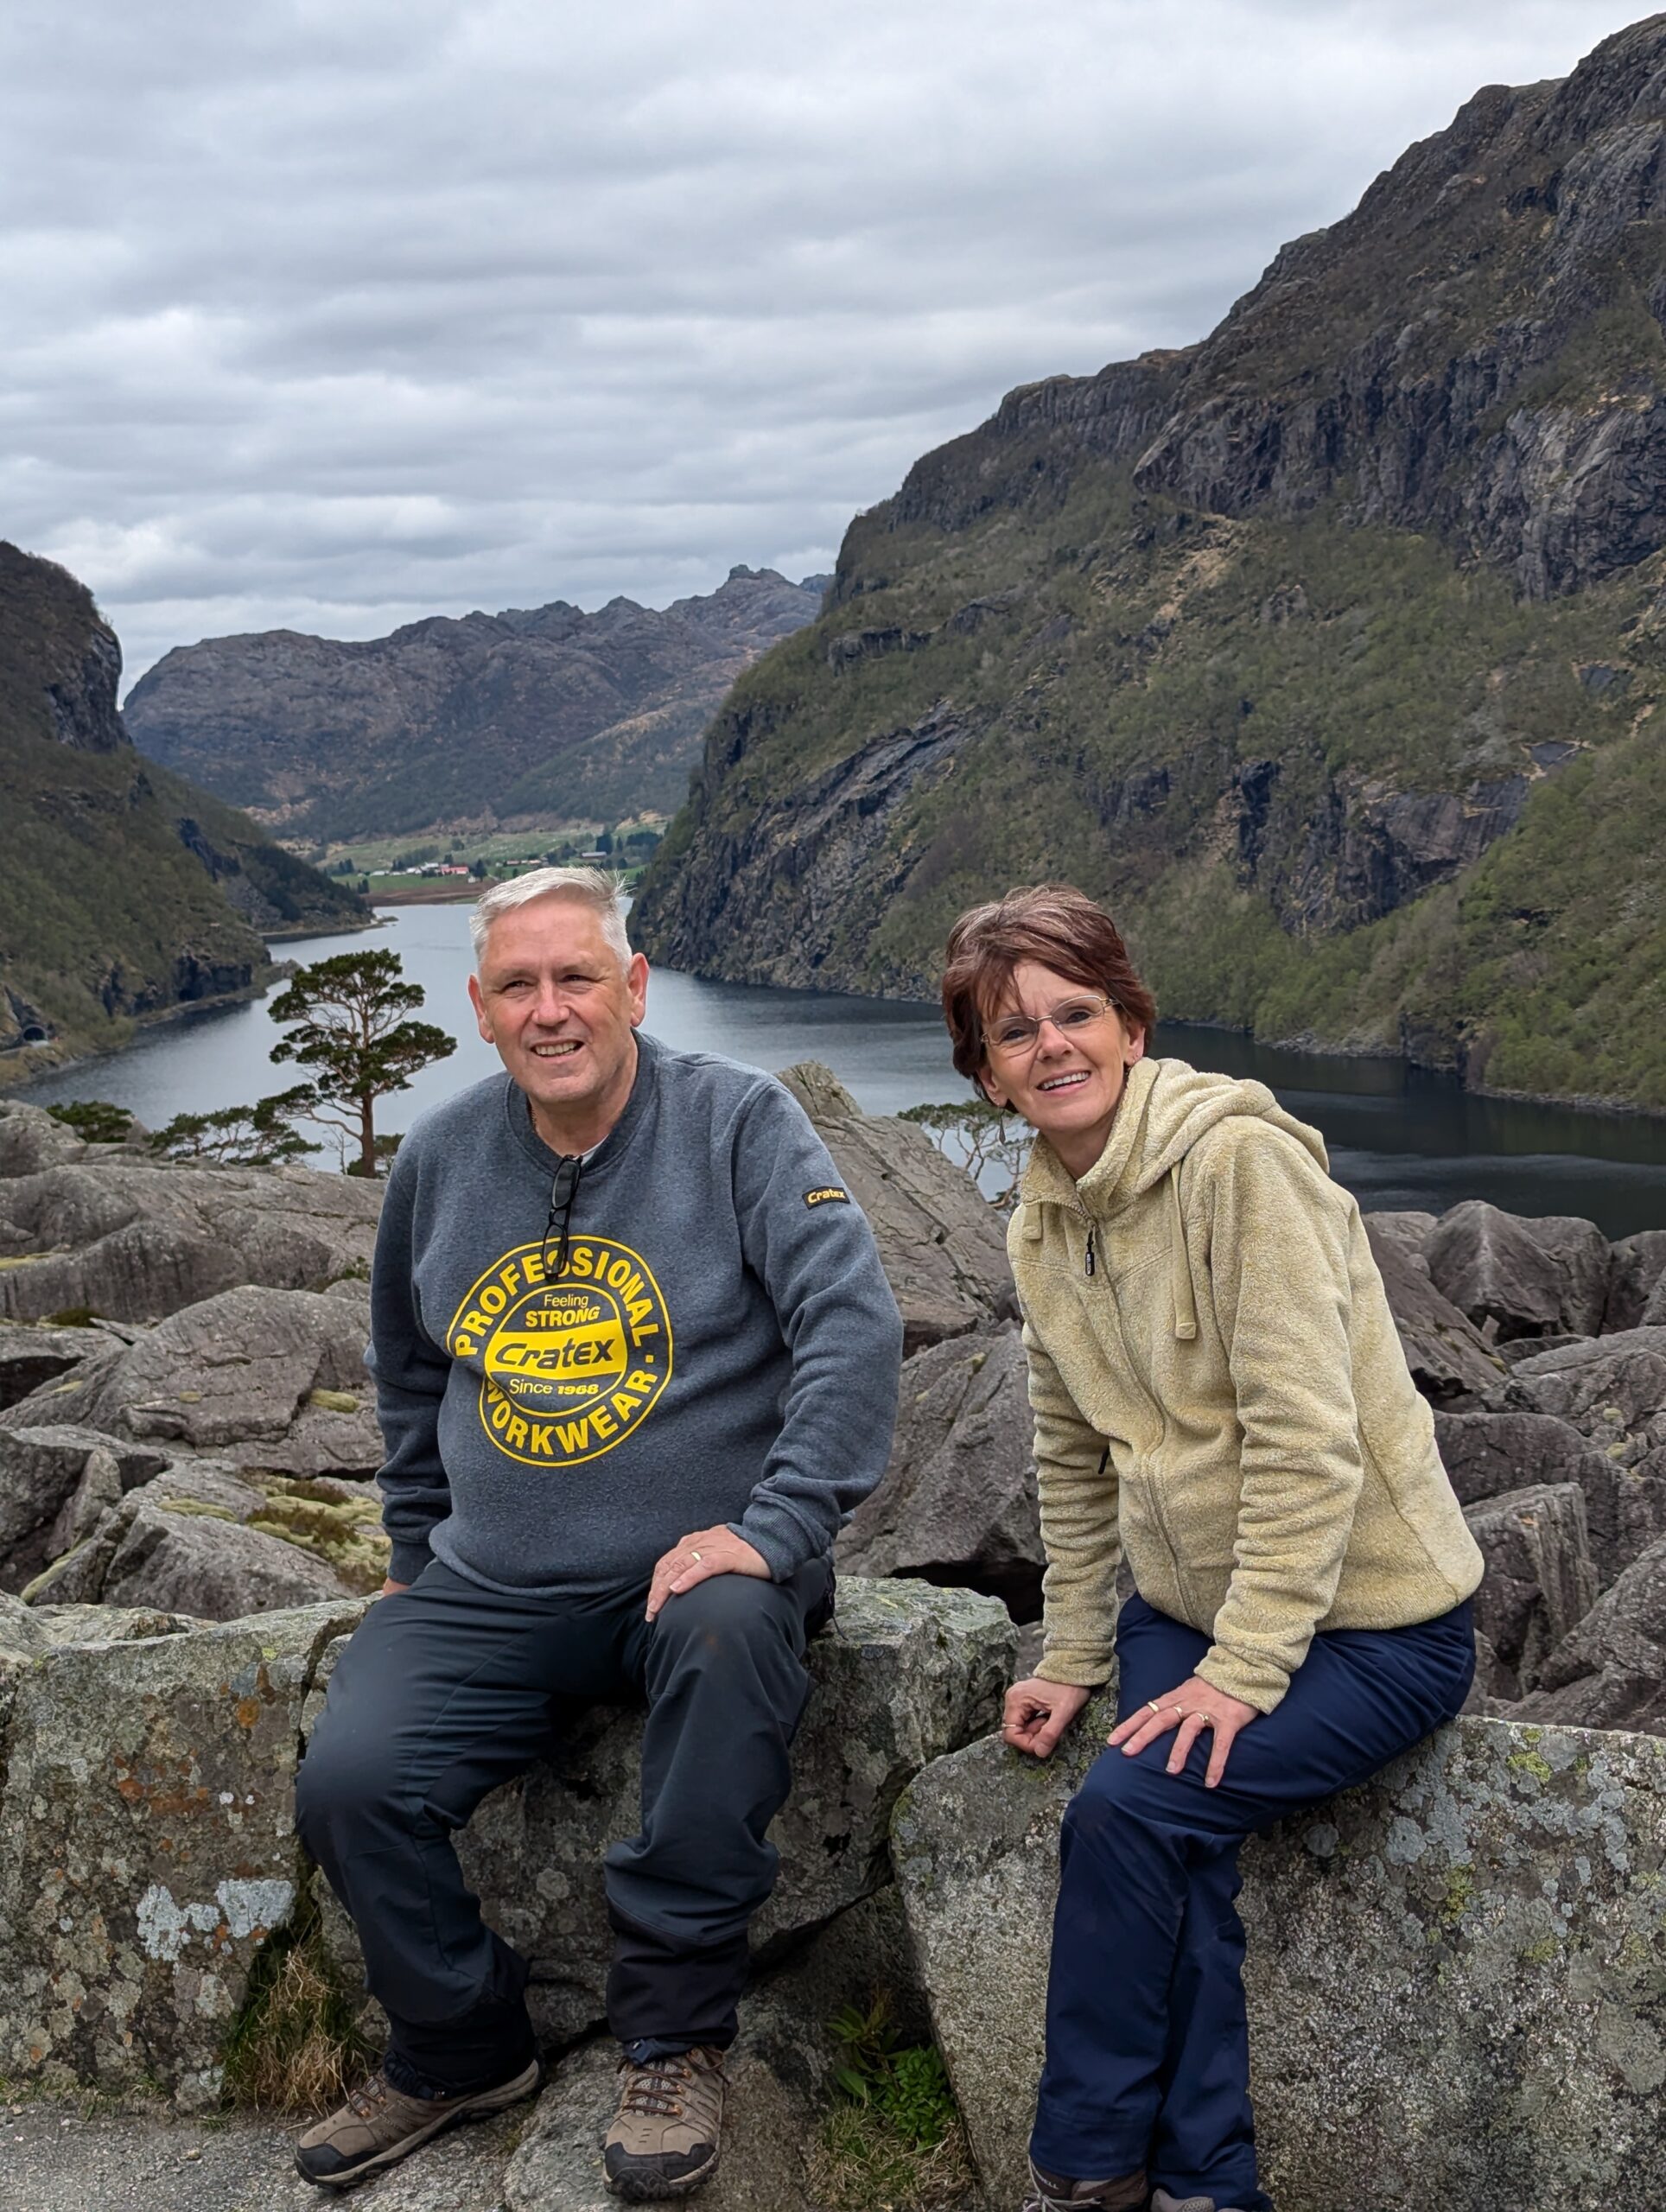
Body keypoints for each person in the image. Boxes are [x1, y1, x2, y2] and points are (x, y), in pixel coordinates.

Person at [293, 867, 902, 2196]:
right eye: (519, 986)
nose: (550, 1010)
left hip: (698, 1578)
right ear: (480, 1008)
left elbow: (851, 1325)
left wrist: (778, 1526)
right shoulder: (441, 1161)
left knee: (734, 1632)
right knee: (349, 1780)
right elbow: (409, 1374)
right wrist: (414, 1557)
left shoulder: (737, 1122)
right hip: (490, 1586)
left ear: (634, 987)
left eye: (578, 978)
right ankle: (461, 2049)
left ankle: (673, 2041)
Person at [938, 884, 1483, 2212]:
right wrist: (1074, 1652)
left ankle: (1080, 2168)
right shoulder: (1041, 1224)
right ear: (989, 1076)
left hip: (1378, 1626)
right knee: (1167, 1839)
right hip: (1183, 1610)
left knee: (1132, 1808)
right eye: (1016, 1032)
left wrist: (1241, 1675)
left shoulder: (1240, 1167)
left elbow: (1309, 1441)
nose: (1052, 1046)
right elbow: (1071, 1459)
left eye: (1077, 1013)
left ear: (1131, 1027)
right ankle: (1203, 2187)